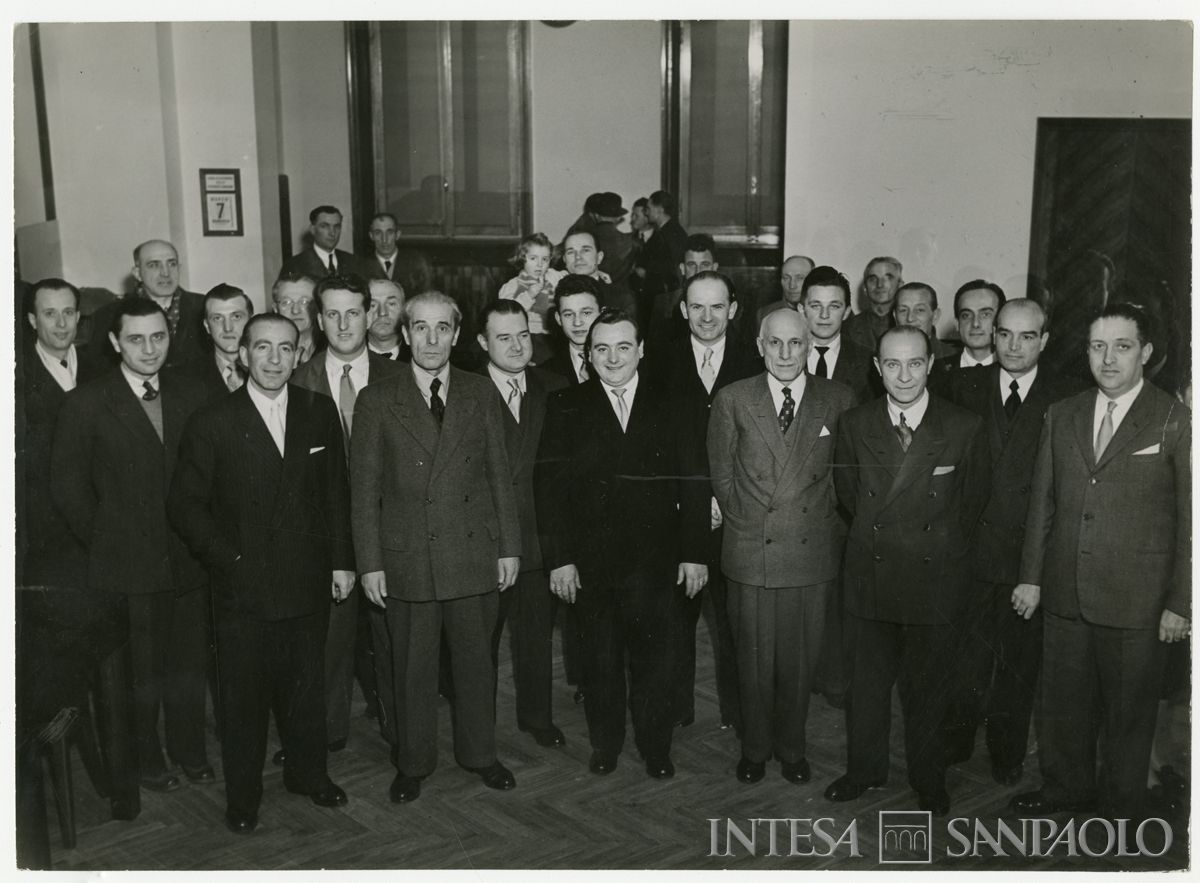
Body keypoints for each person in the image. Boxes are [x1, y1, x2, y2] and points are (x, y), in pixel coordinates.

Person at [168, 313, 354, 834]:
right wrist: (230, 560)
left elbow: (336, 495)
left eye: (286, 348)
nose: (275, 359)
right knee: (243, 702)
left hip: (306, 581)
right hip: (241, 589)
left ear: (299, 354)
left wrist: (342, 561)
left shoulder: (319, 411)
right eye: (263, 348)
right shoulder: (214, 420)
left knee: (306, 689)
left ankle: (309, 775)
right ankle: (243, 798)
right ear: (242, 355)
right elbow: (185, 507)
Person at [1010, 302, 1190, 819]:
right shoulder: (1061, 413)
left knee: (1128, 716)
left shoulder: (1176, 420)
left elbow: (1191, 525)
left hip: (1138, 600)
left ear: (1147, 353)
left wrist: (1182, 603)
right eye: (1097, 346)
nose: (1108, 359)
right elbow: (1042, 502)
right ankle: (1064, 789)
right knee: (1062, 706)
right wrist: (1030, 578)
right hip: (1066, 591)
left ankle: (1121, 808)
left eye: (1122, 346)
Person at [351, 291, 521, 804]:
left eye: (441, 328)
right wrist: (370, 564)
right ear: (404, 334)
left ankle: (480, 754)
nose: (431, 339)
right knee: (412, 670)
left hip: (473, 554)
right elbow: (363, 491)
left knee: (476, 665)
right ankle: (413, 761)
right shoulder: (378, 398)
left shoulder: (479, 393)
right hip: (408, 559)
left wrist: (510, 547)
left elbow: (499, 477)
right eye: (420, 328)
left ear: (456, 333)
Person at [535, 308, 709, 780]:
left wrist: (695, 553)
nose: (613, 358)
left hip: (660, 564)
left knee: (658, 662)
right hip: (593, 567)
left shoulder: (672, 402)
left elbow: (695, 483)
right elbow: (549, 491)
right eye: (602, 349)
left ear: (641, 350)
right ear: (589, 356)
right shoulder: (566, 404)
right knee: (601, 663)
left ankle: (656, 748)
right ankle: (606, 745)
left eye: (623, 347)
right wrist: (560, 560)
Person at [825, 325, 989, 817]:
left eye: (914, 363)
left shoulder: (963, 425)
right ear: (876, 368)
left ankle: (928, 778)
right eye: (891, 364)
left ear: (931, 363)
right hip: (870, 575)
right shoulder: (854, 423)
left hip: (934, 578)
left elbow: (971, 505)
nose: (903, 375)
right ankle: (865, 770)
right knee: (867, 686)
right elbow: (849, 498)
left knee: (929, 689)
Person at [52, 298, 213, 794]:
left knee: (188, 667)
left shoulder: (194, 391)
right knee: (140, 674)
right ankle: (147, 758)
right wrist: (107, 540)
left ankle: (190, 751)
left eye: (158, 337)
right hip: (126, 565)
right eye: (137, 339)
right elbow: (68, 488)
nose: (150, 349)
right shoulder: (87, 402)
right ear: (115, 343)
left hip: (187, 562)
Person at [937, 299, 1082, 786]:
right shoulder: (960, 385)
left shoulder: (1068, 399)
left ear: (1044, 340)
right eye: (1004, 334)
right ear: (991, 335)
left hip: (1028, 560)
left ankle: (1007, 753)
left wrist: (1035, 573)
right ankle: (955, 741)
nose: (1013, 346)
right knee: (963, 659)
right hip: (969, 554)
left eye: (1026, 336)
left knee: (1018, 667)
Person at [710, 303, 855, 785]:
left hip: (811, 550)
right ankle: (754, 748)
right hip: (752, 550)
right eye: (776, 342)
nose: (786, 352)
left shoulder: (838, 398)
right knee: (752, 660)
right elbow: (723, 478)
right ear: (759, 346)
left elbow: (843, 479)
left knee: (800, 662)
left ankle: (792, 748)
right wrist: (749, 524)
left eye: (796, 342)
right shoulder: (733, 398)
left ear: (809, 345)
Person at [291, 273, 403, 755]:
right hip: (327, 539)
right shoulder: (298, 381)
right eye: (332, 314)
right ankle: (328, 735)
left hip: (391, 536)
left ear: (370, 315)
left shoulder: (400, 378)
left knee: (395, 643)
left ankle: (402, 734)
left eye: (353, 312)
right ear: (318, 320)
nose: (342, 323)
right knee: (328, 648)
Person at [646, 270, 761, 733]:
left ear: (733, 310)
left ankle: (739, 715)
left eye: (717, 306)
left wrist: (725, 497)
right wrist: (692, 501)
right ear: (683, 311)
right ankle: (677, 712)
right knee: (675, 622)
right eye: (697, 307)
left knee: (736, 626)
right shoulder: (658, 362)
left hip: (740, 516)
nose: (707, 317)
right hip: (678, 516)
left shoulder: (756, 361)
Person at [474, 300, 568, 747]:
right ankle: (479, 726)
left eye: (523, 335)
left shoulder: (556, 388)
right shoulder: (465, 392)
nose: (516, 346)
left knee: (535, 638)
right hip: (483, 542)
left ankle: (537, 717)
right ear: (482, 343)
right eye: (504, 337)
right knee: (480, 644)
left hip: (537, 539)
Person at [19, 279, 99, 585]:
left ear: (79, 317)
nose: (62, 323)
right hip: (46, 530)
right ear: (32, 320)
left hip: (99, 525)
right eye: (50, 314)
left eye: (68, 312)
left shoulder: (103, 368)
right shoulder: (16, 377)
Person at [84, 239, 206, 373]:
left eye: (171, 264)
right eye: (154, 265)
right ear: (137, 273)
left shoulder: (205, 307)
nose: (165, 273)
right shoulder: (107, 316)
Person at [799, 265, 877, 404]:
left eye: (834, 306)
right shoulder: (784, 356)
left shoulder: (867, 361)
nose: (824, 315)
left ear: (846, 312)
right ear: (801, 310)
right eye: (816, 306)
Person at [497, 232, 564, 365]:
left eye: (545, 259)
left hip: (552, 335)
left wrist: (598, 272)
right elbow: (508, 313)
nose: (540, 264)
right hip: (526, 335)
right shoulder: (512, 285)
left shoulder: (552, 277)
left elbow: (574, 278)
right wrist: (529, 295)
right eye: (533, 258)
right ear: (522, 259)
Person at [648, 232, 719, 344]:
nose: (698, 272)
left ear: (715, 268)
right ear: (682, 269)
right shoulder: (664, 304)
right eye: (691, 265)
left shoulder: (732, 304)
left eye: (705, 265)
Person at [931, 281, 1006, 383]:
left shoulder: (1013, 371)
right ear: (957, 323)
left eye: (985, 315)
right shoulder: (934, 372)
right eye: (966, 315)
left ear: (1001, 320)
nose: (975, 323)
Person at [187, 283, 253, 398]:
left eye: (236, 317)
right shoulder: (188, 378)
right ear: (207, 326)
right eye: (217, 318)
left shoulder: (269, 367)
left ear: (251, 322)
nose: (228, 328)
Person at [541, 274, 602, 386]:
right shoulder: (545, 372)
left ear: (602, 314)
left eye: (586, 313)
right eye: (568, 314)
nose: (577, 322)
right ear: (559, 319)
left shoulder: (620, 362)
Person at [360, 211, 433, 299]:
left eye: (389, 232)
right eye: (378, 233)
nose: (384, 239)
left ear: (397, 235)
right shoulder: (362, 265)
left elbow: (426, 297)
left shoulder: (416, 263)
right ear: (371, 236)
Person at [278, 205, 361, 279]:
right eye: (324, 226)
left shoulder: (353, 262)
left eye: (337, 226)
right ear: (313, 230)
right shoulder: (295, 265)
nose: (332, 233)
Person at [841, 256, 901, 353]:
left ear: (900, 285)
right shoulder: (848, 328)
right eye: (873, 279)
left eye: (888, 278)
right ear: (865, 288)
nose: (880, 285)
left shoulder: (909, 324)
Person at [638, 191, 689, 303]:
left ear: (659, 210)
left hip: (667, 296)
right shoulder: (665, 232)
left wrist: (647, 273)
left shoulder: (671, 234)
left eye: (649, 208)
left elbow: (673, 268)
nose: (646, 213)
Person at [893, 281, 960, 361]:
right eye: (903, 310)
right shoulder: (881, 356)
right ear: (895, 316)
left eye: (920, 310)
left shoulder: (953, 357)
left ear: (935, 316)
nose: (910, 318)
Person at [272, 271, 321, 364]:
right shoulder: (267, 353)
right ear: (275, 309)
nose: (295, 310)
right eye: (286, 302)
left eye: (304, 302)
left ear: (317, 306)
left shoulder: (331, 349)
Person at [756, 255, 815, 323]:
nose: (792, 285)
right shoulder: (766, 314)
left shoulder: (822, 314)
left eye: (800, 278)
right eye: (786, 278)